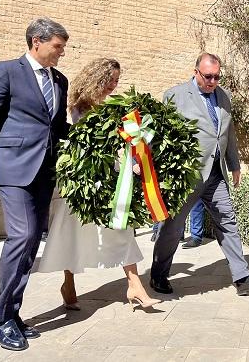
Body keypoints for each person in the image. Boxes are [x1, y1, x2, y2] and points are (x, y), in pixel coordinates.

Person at [0, 17, 70, 351]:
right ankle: (1, 318)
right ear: (37, 41)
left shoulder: (59, 80)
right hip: (13, 170)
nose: (61, 53)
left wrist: (99, 132)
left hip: (43, 173)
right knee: (22, 236)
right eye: (58, 46)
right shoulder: (6, 71)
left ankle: (12, 311)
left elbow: (55, 128)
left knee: (30, 241)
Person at [38, 58, 160, 312]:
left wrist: (134, 160)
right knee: (72, 233)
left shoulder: (116, 108)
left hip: (110, 178)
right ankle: (68, 282)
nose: (113, 86)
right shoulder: (76, 109)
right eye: (109, 80)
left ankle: (134, 285)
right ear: (95, 78)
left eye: (116, 81)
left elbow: (124, 143)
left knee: (120, 227)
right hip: (80, 181)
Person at [150, 52, 249, 296]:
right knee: (173, 228)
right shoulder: (175, 95)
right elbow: (161, 135)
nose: (213, 81)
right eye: (208, 76)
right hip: (187, 176)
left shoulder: (223, 96)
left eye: (217, 77)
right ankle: (158, 275)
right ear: (196, 72)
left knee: (227, 221)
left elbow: (228, 133)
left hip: (216, 175)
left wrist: (234, 164)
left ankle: (242, 277)